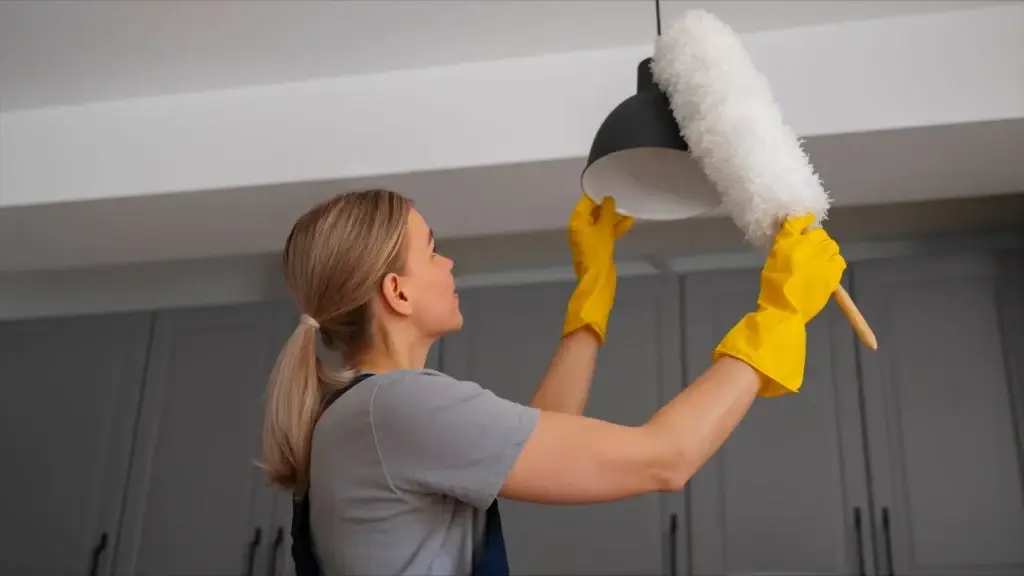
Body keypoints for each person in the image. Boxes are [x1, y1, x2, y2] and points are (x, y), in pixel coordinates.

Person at [260, 188, 846, 576]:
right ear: (398, 292)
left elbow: (549, 431)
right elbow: (664, 459)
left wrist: (594, 288)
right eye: (433, 252)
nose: (449, 264)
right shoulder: (398, 407)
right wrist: (780, 314)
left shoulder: (370, 412)